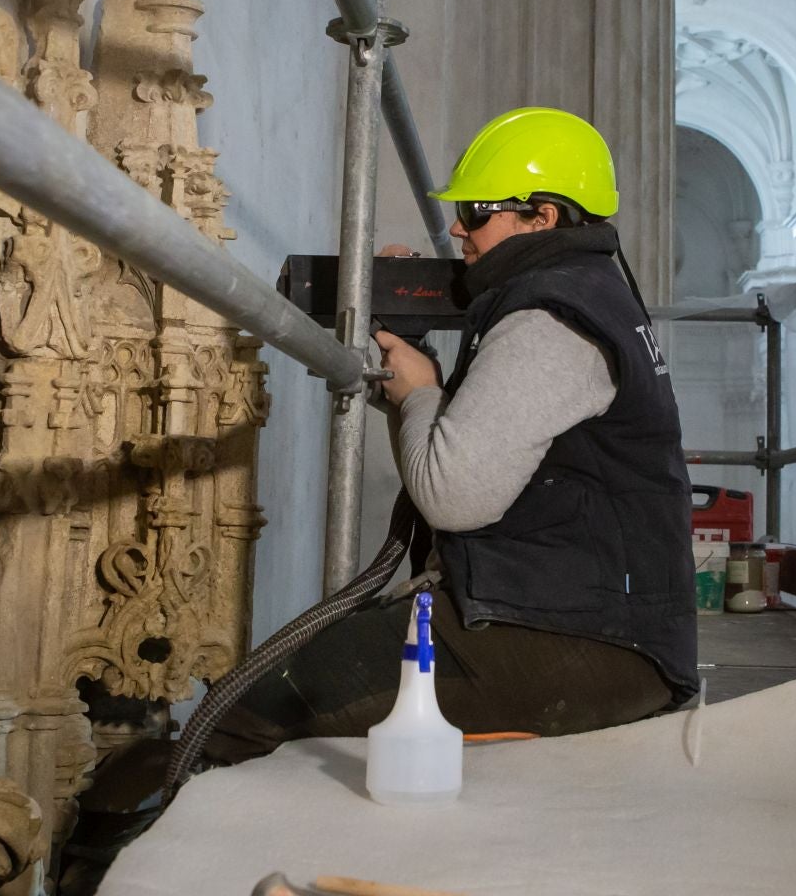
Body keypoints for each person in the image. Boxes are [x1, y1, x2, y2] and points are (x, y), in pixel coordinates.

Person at [197, 106, 698, 762]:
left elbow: (453, 495)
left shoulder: (552, 320)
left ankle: (169, 857)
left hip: (583, 643)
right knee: (306, 673)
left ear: (541, 216)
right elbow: (488, 435)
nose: (458, 228)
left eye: (478, 213)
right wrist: (409, 358)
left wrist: (423, 391)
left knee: (255, 705)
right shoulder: (579, 294)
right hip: (587, 621)